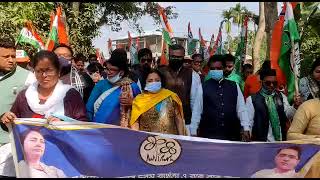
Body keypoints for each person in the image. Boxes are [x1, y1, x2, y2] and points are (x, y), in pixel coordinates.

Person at [0, 50, 87, 127]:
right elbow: (11, 125)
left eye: (49, 70)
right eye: (39, 71)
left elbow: (82, 125)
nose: (44, 75)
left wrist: (63, 123)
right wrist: (5, 118)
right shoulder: (24, 96)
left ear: (58, 72)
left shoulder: (70, 95)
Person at [0, 40, 36, 177]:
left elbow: (36, 109)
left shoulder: (28, 78)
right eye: (5, 57)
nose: (11, 60)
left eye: (13, 56)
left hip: (9, 145)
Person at [198, 55, 251, 141]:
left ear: (223, 68)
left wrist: (246, 127)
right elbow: (198, 109)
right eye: (212, 68)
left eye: (218, 68)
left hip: (231, 134)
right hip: (209, 134)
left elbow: (241, 108)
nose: (215, 71)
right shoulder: (203, 86)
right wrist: (194, 129)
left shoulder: (235, 85)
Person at [86, 48, 141, 127]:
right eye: (107, 69)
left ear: (121, 72)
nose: (108, 72)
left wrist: (132, 103)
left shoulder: (132, 86)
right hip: (99, 129)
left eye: (112, 70)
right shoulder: (100, 85)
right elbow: (89, 109)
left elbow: (142, 107)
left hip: (123, 131)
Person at [158, 44, 202, 136]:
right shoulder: (160, 72)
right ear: (169, 56)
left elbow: (195, 102)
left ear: (183, 57)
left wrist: (194, 125)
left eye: (179, 57)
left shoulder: (192, 74)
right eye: (173, 56)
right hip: (163, 120)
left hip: (186, 121)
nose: (176, 59)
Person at [130, 69, 187, 135]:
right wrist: (137, 138)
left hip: (170, 141)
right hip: (148, 141)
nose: (154, 82)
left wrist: (181, 138)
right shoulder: (139, 100)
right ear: (145, 83)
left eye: (157, 80)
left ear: (161, 82)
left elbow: (178, 118)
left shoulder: (171, 96)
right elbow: (135, 122)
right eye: (150, 81)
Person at [246, 68, 297, 142]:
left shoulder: (281, 96)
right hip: (262, 143)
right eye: (268, 83)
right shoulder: (251, 99)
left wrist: (295, 106)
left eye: (274, 83)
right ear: (261, 82)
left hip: (280, 141)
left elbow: (288, 114)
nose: (272, 85)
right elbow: (249, 122)